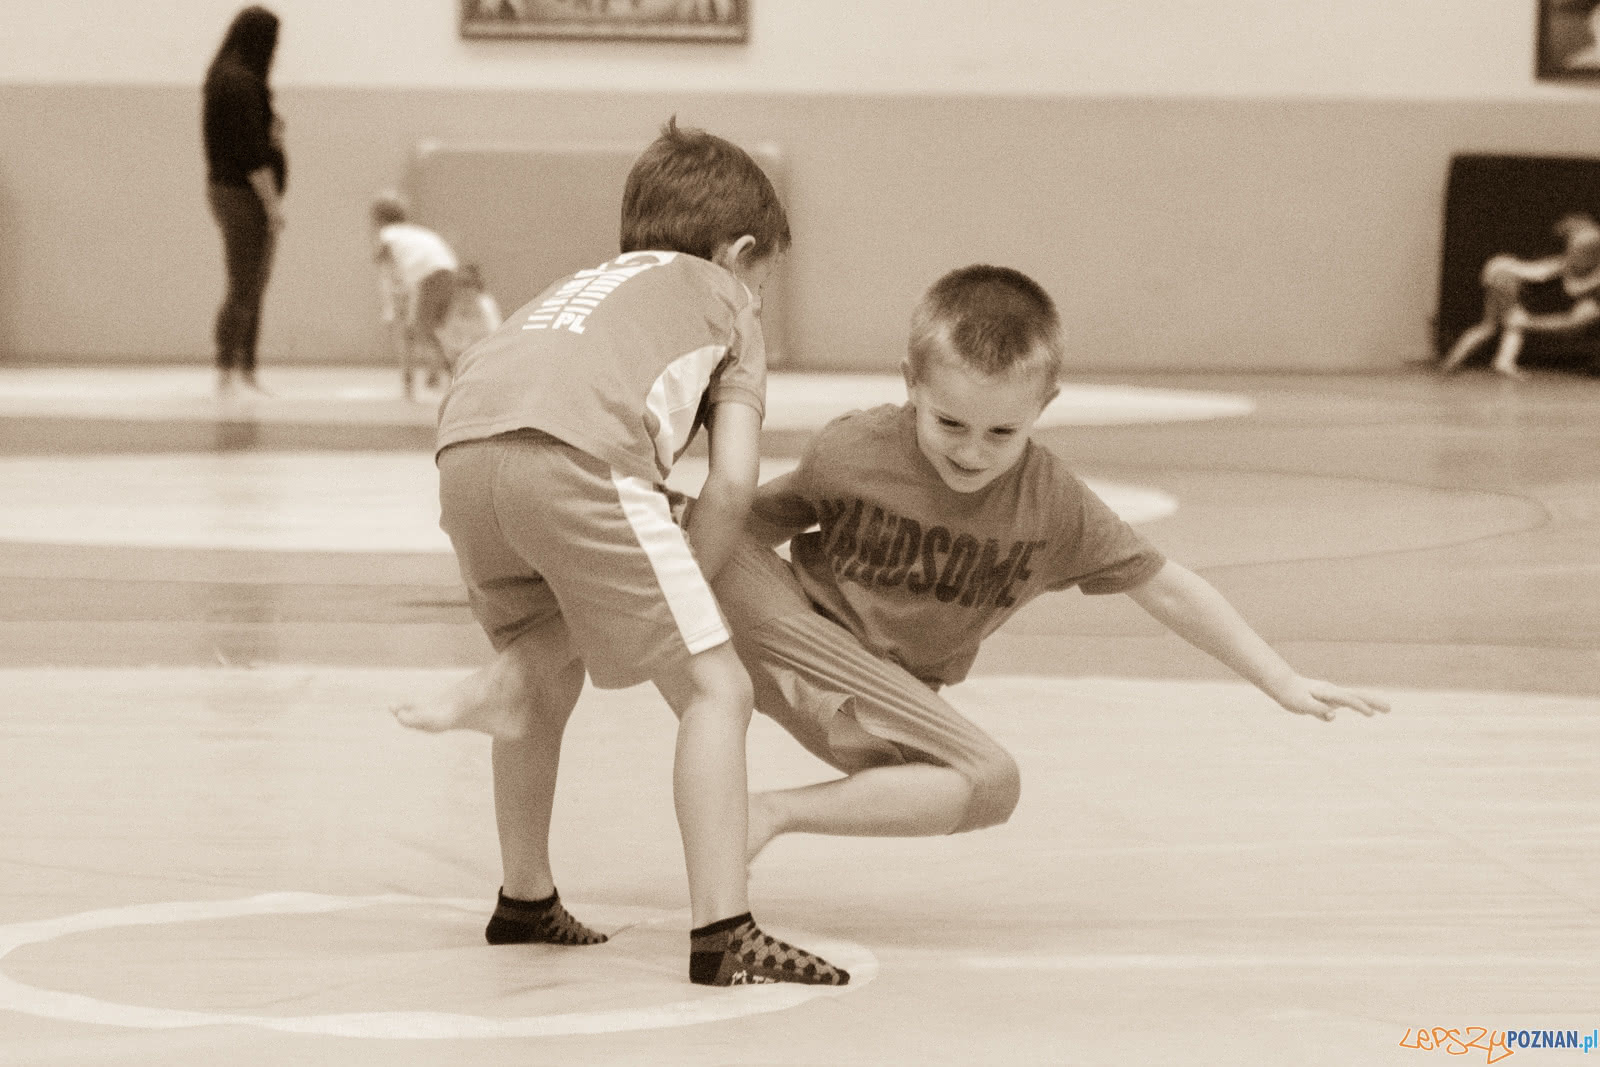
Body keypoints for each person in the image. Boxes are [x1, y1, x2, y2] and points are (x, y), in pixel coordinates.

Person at [405, 264, 1389, 877]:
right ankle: (517, 673)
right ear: (909, 384)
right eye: (948, 420)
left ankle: (765, 814)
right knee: (686, 537)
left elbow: (1168, 584)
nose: (969, 449)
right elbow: (739, 519)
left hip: (872, 698)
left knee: (989, 783)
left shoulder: (1053, 506)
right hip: (787, 619)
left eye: (1000, 430)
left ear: (1045, 406)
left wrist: (1279, 675)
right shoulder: (857, 446)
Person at [399, 118, 846, 987]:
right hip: (579, 457)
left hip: (464, 453)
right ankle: (725, 931)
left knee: (542, 679)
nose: (758, 293)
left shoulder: (586, 283)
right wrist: (687, 586)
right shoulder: (726, 302)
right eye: (764, 275)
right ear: (741, 252)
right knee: (719, 686)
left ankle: (524, 896)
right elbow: (730, 487)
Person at [202, 6, 286, 395]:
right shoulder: (239, 83)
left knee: (252, 283)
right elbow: (252, 154)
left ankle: (244, 367)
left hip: (233, 192)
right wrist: (272, 206)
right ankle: (229, 367)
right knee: (244, 283)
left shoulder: (228, 77)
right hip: (242, 195)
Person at [1440, 214, 1600, 378]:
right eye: (1575, 250)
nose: (1575, 255)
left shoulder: (1573, 265)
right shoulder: (1565, 265)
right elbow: (1572, 290)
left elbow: (1572, 292)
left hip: (1499, 269)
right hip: (1504, 276)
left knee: (1490, 326)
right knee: (1516, 321)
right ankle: (1503, 362)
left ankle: (1453, 362)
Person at [370, 193, 474, 397]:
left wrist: (390, 309)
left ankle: (447, 372)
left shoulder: (387, 234)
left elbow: (385, 268)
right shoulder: (417, 232)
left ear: (379, 219)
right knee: (430, 328)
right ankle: (438, 370)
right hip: (449, 270)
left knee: (415, 329)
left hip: (429, 275)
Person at [435, 264, 504, 370]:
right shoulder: (453, 307)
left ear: (477, 286)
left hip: (484, 360)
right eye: (459, 284)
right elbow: (446, 337)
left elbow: (493, 337)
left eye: (467, 284)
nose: (463, 290)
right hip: (459, 361)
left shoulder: (485, 306)